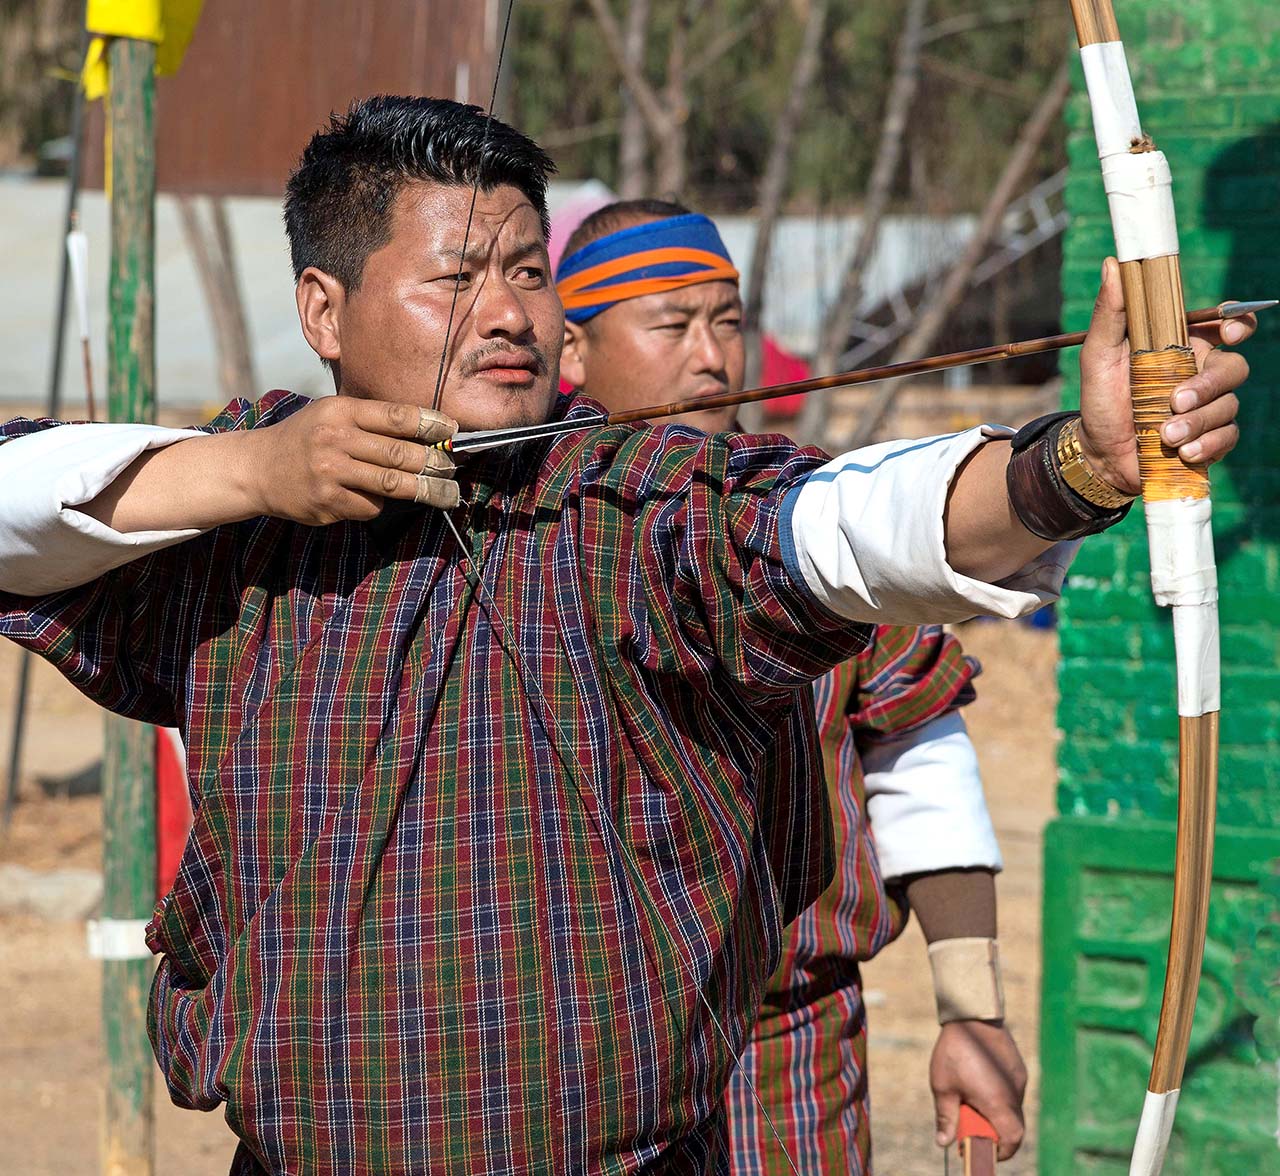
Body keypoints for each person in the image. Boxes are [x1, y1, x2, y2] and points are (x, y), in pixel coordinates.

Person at [0, 97, 1252, 1174]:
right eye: (455, 275)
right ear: (323, 311)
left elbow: (840, 526)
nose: (505, 315)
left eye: (526, 274)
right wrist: (245, 475)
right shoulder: (235, 517)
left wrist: (1071, 467)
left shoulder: (628, 504)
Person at [557, 199, 1017, 1172]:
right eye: (670, 324)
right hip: (579, 1048)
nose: (712, 356)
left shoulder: (819, 523)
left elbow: (911, 746)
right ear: (573, 353)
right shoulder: (531, 531)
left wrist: (968, 1011)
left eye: (727, 321)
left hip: (784, 1042)